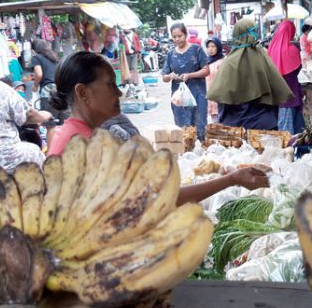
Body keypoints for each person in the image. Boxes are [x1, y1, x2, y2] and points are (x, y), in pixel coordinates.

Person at [48, 51, 269, 205]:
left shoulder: (75, 134)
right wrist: (231, 179)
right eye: (110, 84)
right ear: (83, 93)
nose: (119, 92)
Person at [207, 18, 294, 130]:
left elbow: (222, 100)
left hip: (237, 128)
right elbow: (276, 92)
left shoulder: (229, 62)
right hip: (265, 126)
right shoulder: (264, 58)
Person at [162, 23, 210, 140]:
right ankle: (185, 154)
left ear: (186, 34)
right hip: (179, 98)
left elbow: (206, 70)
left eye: (180, 36)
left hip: (198, 94)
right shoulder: (171, 54)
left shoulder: (196, 49)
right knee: (183, 130)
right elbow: (164, 77)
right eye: (174, 37)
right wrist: (170, 76)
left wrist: (190, 75)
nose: (177, 39)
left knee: (199, 126)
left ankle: (201, 153)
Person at [268, 20, 304, 134]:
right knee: (293, 129)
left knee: (283, 127)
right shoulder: (293, 49)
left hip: (277, 95)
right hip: (292, 91)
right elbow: (298, 68)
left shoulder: (271, 47)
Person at [205, 37, 225, 123]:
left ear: (218, 47)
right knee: (215, 121)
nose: (210, 49)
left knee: (222, 120)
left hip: (220, 95)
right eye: (208, 47)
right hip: (210, 95)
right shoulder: (206, 61)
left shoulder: (223, 61)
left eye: (213, 46)